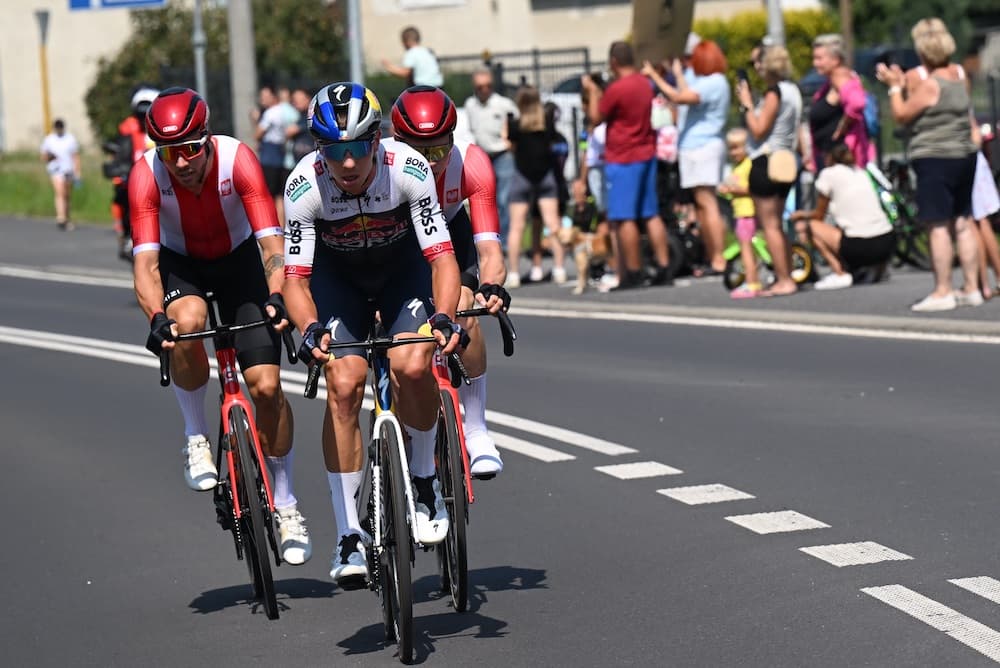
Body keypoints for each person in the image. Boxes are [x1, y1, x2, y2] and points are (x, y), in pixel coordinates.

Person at [282, 82, 465, 586]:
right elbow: (295, 279)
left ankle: (424, 480)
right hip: (338, 283)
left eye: (358, 147)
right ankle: (347, 534)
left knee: (412, 362)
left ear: (377, 140)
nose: (347, 162)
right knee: (343, 385)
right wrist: (309, 327)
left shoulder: (407, 167)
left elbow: (441, 256)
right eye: (334, 150)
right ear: (319, 150)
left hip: (401, 275)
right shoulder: (302, 186)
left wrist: (445, 315)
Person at [129, 87, 311, 566]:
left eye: (191, 148)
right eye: (171, 152)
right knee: (184, 325)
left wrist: (277, 294)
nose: (182, 162)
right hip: (181, 266)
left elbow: (272, 245)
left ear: (207, 139)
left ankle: (287, 504)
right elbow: (146, 266)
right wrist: (155, 319)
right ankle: (196, 436)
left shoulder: (239, 160)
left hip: (239, 265)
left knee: (267, 387)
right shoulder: (145, 176)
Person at [391, 85, 510, 477]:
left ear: (453, 140)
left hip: (450, 238)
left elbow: (489, 247)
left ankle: (476, 428)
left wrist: (490, 286)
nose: (429, 163)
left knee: (463, 305)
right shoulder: (384, 170)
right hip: (397, 244)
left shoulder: (471, 163)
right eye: (418, 153)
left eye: (439, 151)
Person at [876, 18, 980, 311]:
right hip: (964, 154)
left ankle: (942, 290)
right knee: (963, 221)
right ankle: (972, 287)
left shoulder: (929, 84)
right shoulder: (960, 74)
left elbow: (902, 115)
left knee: (937, 225)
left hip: (935, 156)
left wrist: (895, 87)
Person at [582, 41, 673, 290]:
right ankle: (664, 266)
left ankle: (633, 271)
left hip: (623, 157)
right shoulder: (646, 84)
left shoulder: (618, 88)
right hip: (646, 153)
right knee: (651, 213)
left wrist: (591, 91)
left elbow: (596, 117)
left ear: (614, 62)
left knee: (624, 218)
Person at [642, 39, 729, 278]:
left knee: (707, 202)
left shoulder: (715, 82)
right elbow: (683, 88)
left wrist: (655, 77)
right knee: (700, 205)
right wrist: (674, 71)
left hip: (703, 147)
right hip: (693, 148)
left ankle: (719, 257)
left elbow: (681, 98)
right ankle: (711, 254)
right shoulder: (700, 79)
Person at [735, 44, 803, 297]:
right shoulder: (792, 90)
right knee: (778, 224)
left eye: (759, 63)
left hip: (766, 160)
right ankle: (786, 274)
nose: (757, 68)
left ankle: (784, 279)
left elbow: (759, 129)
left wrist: (747, 105)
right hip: (786, 159)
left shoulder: (774, 93)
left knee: (770, 224)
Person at [790, 143, 895, 289]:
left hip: (860, 245)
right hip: (887, 242)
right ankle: (877, 270)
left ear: (828, 157)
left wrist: (801, 215)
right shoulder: (860, 172)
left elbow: (818, 215)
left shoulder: (828, 174)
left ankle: (840, 273)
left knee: (812, 227)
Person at [503, 85, 567, 287]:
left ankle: (513, 273)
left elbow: (510, 148)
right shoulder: (546, 123)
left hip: (523, 176)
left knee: (517, 227)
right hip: (545, 176)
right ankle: (559, 269)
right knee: (553, 223)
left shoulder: (515, 125)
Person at [102, 85, 159, 260]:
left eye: (147, 113)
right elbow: (120, 153)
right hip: (134, 179)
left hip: (159, 179)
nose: (143, 119)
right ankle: (125, 233)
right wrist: (118, 169)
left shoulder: (163, 130)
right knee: (120, 195)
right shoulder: (127, 129)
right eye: (140, 115)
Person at [464, 66, 518, 246]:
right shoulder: (471, 105)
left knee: (503, 198)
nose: (484, 89)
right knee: (484, 199)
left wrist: (512, 142)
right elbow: (473, 129)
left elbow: (516, 124)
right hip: (483, 155)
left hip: (502, 154)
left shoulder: (503, 104)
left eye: (487, 85)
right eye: (480, 86)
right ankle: (487, 239)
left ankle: (503, 243)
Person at [809, 34, 875, 175]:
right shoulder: (829, 84)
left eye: (819, 59)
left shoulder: (842, 79)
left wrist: (843, 125)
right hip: (829, 160)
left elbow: (857, 103)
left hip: (843, 162)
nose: (815, 63)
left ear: (836, 59)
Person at [717, 128, 760, 299]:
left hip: (747, 213)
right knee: (748, 248)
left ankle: (752, 283)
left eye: (737, 148)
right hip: (741, 212)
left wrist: (733, 190)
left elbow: (750, 188)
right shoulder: (737, 167)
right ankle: (752, 280)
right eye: (731, 148)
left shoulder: (747, 166)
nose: (733, 152)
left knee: (746, 250)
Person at [254, 85, 297, 224]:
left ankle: (271, 224)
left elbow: (258, 133)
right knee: (280, 195)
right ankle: (281, 225)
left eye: (265, 97)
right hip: (280, 154)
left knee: (269, 194)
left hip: (269, 155)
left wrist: (256, 121)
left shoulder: (270, 113)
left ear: (273, 97)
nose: (262, 100)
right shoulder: (284, 111)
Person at [40, 119, 81, 231]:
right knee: (60, 192)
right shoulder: (49, 140)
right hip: (56, 170)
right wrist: (50, 157)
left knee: (67, 195)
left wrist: (77, 172)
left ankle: (67, 217)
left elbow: (75, 156)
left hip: (68, 170)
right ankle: (61, 217)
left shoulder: (70, 139)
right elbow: (43, 156)